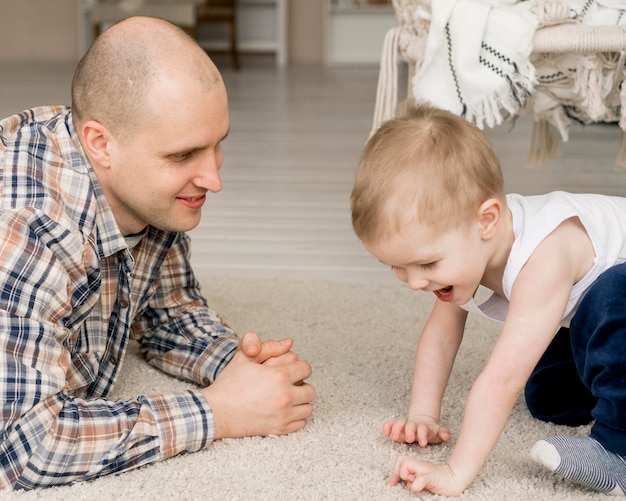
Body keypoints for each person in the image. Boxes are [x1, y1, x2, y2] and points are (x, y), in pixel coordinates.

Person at [0, 16, 315, 490]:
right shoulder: (29, 229)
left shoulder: (142, 188)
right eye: (184, 155)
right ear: (100, 143)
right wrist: (218, 411)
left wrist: (238, 367)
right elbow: (22, 445)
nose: (214, 179)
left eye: (217, 146)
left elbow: (167, 313)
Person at [350, 101, 626, 497]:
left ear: (487, 220)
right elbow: (440, 338)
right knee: (549, 397)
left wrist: (455, 471)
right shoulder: (469, 248)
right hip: (594, 322)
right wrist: (423, 415)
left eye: (426, 263)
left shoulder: (543, 256)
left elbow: (501, 381)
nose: (414, 282)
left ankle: (618, 451)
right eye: (396, 266)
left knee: (614, 294)